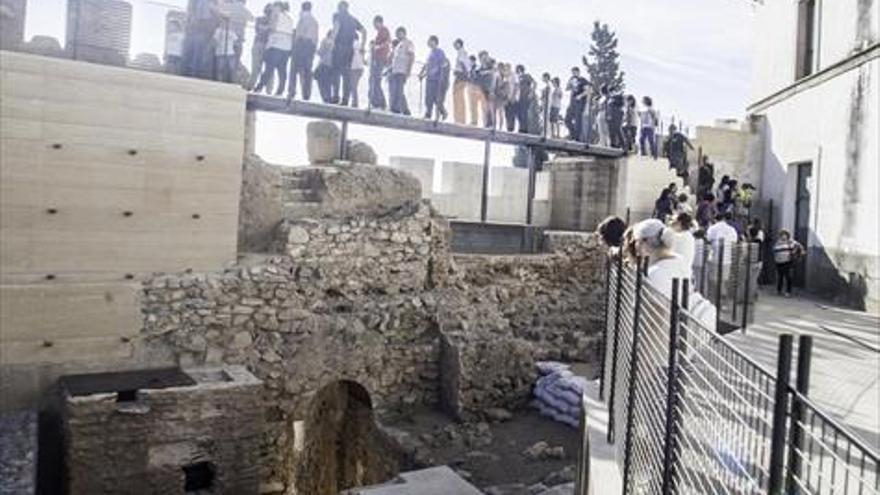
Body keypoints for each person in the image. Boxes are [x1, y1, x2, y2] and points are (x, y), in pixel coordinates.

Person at [632, 219, 717, 328]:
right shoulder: (680, 261)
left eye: (636, 240)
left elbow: (656, 317)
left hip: (670, 332)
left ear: (645, 242)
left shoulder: (655, 273)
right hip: (690, 327)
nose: (635, 244)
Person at [330, 2, 366, 105]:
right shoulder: (353, 20)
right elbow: (364, 31)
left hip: (339, 47)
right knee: (346, 75)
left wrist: (331, 42)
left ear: (340, 7)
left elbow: (336, 29)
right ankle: (345, 99)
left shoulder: (338, 16)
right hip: (349, 50)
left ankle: (336, 96)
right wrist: (363, 46)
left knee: (336, 73)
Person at [254, 2, 294, 96]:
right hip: (286, 47)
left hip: (275, 45)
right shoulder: (289, 18)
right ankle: (280, 90)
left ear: (278, 7)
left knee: (269, 69)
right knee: (282, 70)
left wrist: (263, 28)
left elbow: (273, 27)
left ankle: (259, 87)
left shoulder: (276, 14)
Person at [183, 0, 223, 80]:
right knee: (198, 53)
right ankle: (194, 74)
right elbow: (211, 12)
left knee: (196, 53)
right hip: (201, 28)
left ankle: (192, 73)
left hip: (198, 28)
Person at [289, 1, 319, 100]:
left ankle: (292, 91)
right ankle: (306, 94)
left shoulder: (302, 19)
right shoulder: (315, 21)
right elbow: (315, 38)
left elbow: (300, 34)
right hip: (310, 47)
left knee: (294, 69)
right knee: (307, 72)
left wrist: (294, 44)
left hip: (301, 45)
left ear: (302, 8)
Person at [420, 35, 448, 120]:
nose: (428, 43)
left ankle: (443, 112)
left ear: (434, 42)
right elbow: (427, 65)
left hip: (437, 79)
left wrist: (435, 70)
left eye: (430, 41)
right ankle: (428, 113)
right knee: (428, 97)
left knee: (436, 98)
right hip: (429, 78)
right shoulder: (430, 53)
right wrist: (422, 74)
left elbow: (443, 63)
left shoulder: (440, 52)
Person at [388, 27, 414, 115]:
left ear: (404, 33)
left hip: (402, 70)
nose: (398, 35)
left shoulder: (408, 43)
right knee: (396, 90)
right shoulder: (398, 45)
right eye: (397, 34)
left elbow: (411, 57)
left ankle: (396, 108)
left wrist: (408, 70)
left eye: (399, 33)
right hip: (395, 70)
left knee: (399, 90)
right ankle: (405, 109)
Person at [247, 4, 273, 90]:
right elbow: (259, 30)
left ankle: (266, 89)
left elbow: (261, 29)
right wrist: (268, 28)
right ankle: (251, 86)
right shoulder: (261, 19)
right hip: (261, 44)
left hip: (265, 45)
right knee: (257, 69)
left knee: (266, 69)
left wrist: (266, 28)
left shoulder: (270, 21)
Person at [368, 15, 391, 109]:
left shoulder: (384, 30)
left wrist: (377, 47)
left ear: (379, 22)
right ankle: (375, 102)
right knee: (373, 80)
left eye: (375, 23)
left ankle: (380, 102)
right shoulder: (379, 33)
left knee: (376, 80)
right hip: (376, 59)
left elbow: (387, 42)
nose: (374, 26)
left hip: (380, 59)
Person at [773, 229, 803, 297]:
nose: (783, 236)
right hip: (779, 262)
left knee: (788, 277)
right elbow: (775, 250)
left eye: (784, 235)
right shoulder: (778, 242)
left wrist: (795, 253)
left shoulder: (791, 242)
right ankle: (779, 290)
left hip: (787, 262)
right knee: (780, 277)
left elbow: (799, 247)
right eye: (782, 235)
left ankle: (788, 291)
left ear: (787, 235)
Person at [564, 67, 589, 140]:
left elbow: (587, 90)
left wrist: (580, 96)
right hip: (572, 101)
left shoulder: (583, 80)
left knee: (578, 120)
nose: (573, 74)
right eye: (572, 72)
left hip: (579, 102)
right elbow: (567, 89)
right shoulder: (572, 79)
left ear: (578, 72)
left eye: (575, 72)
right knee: (567, 119)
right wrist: (569, 83)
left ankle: (577, 138)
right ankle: (573, 134)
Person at [451, 38, 472, 124]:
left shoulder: (461, 52)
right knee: (459, 96)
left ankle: (460, 118)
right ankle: (460, 118)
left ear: (459, 44)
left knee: (458, 96)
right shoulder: (462, 52)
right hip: (461, 76)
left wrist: (463, 75)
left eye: (455, 44)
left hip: (460, 76)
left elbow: (463, 64)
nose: (454, 46)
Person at [474, 51, 497, 128]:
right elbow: (476, 79)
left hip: (489, 89)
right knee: (484, 107)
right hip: (481, 89)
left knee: (489, 107)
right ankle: (486, 124)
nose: (483, 59)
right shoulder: (478, 69)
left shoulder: (491, 65)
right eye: (482, 58)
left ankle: (491, 124)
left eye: (485, 57)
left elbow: (493, 72)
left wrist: (492, 90)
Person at [213, 17, 238, 83]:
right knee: (219, 69)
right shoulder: (218, 30)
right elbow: (215, 41)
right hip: (220, 52)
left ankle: (231, 82)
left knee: (231, 69)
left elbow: (236, 41)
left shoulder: (231, 31)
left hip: (230, 53)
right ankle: (219, 81)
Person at [314, 29, 336, 103]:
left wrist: (315, 51)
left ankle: (325, 98)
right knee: (328, 83)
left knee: (321, 81)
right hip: (333, 65)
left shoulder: (325, 40)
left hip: (323, 63)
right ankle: (329, 97)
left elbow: (321, 52)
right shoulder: (337, 42)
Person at [515, 65, 536, 134]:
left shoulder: (527, 76)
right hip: (520, 97)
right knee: (519, 113)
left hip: (526, 97)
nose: (518, 71)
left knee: (524, 113)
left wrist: (532, 92)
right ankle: (521, 127)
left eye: (518, 70)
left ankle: (524, 130)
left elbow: (534, 83)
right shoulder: (518, 77)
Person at [347, 36, 366, 107]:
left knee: (353, 86)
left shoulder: (351, 44)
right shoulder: (361, 45)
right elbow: (363, 58)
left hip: (354, 67)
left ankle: (355, 102)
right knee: (354, 86)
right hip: (360, 68)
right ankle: (354, 102)